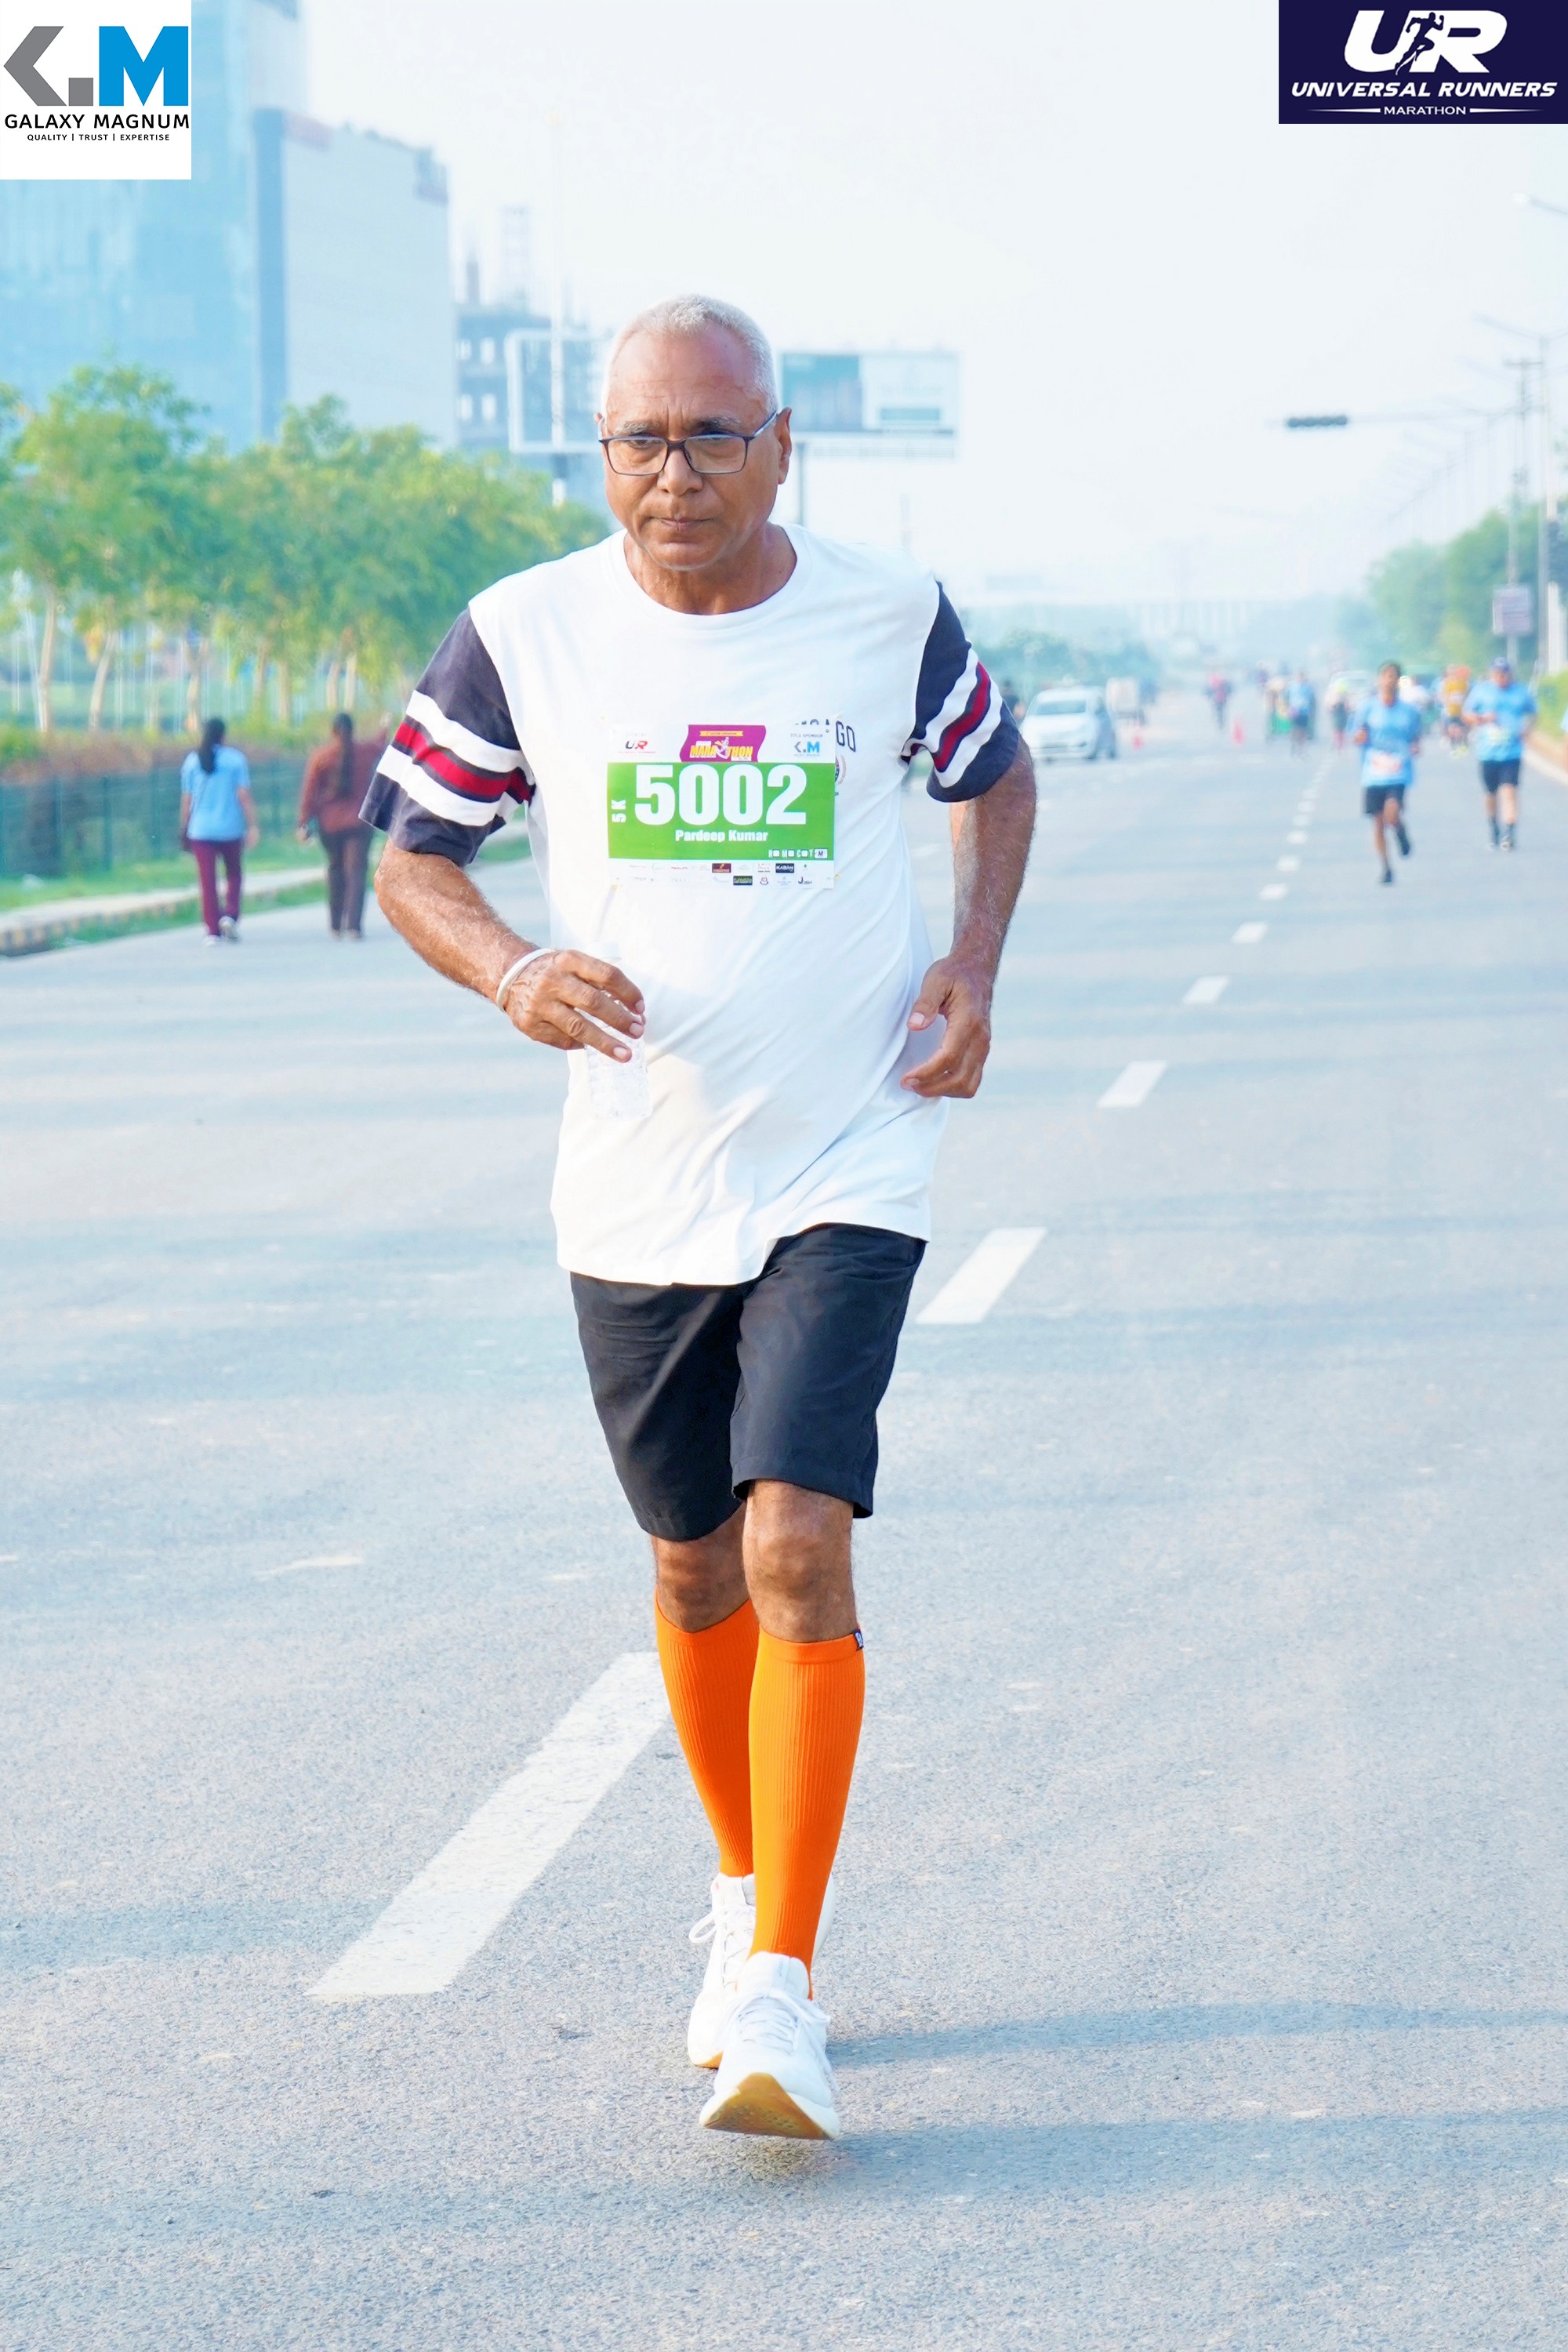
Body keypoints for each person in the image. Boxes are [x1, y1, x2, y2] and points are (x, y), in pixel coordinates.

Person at [366, 295, 1035, 2143]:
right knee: (689, 1563)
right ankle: (739, 1887)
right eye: (640, 442)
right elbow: (413, 856)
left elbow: (992, 775)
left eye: (712, 438)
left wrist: (971, 965)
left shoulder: (888, 619)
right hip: (638, 1175)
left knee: (794, 1540)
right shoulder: (525, 633)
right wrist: (511, 969)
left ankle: (780, 1987)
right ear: (602, 454)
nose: (675, 475)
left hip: (848, 1154)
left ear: (779, 447)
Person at [297, 711, 387, 937]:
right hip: (359, 822)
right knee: (356, 873)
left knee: (335, 870)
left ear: (332, 732)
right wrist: (385, 726)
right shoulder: (364, 752)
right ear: (352, 730)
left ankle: (336, 924)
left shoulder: (321, 757)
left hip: (330, 824)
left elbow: (309, 792)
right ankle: (354, 926)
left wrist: (303, 822)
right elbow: (380, 745)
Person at [180, 717, 257, 944]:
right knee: (234, 874)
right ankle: (230, 915)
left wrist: (185, 826)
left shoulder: (192, 761)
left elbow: (187, 799)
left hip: (201, 830)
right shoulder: (235, 760)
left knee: (207, 881)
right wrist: (253, 824)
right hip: (230, 828)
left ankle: (212, 931)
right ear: (224, 736)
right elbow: (243, 795)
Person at [1354, 660, 1421, 884]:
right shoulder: (1367, 709)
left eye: (1393, 676)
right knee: (1378, 823)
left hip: (1398, 771)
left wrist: (1415, 746)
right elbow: (1357, 734)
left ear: (1398, 681)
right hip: (1373, 772)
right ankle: (1386, 867)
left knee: (1392, 814)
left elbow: (1415, 736)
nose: (1388, 681)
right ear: (1379, 679)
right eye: (1385, 676)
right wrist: (1360, 738)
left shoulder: (1409, 711)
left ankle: (1400, 831)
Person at [1464, 653, 1537, 850]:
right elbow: (1467, 714)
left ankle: (1509, 832)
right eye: (1497, 673)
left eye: (1505, 673)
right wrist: (1481, 719)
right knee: (1491, 794)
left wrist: (1527, 728)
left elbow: (1532, 713)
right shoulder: (1481, 691)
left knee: (1509, 790)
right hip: (1487, 753)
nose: (1501, 677)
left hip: (1512, 752)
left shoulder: (1520, 692)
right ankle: (1493, 826)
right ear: (1491, 673)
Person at [1286, 670, 1316, 753]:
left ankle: (1301, 749)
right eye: (1298, 677)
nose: (1300, 679)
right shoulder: (1291, 686)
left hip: (1304, 710)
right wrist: (1288, 708)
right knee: (1294, 729)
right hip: (1294, 710)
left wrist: (1312, 711)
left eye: (1301, 677)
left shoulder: (1308, 687)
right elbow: (1286, 697)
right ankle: (1293, 745)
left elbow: (1312, 699)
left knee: (1303, 730)